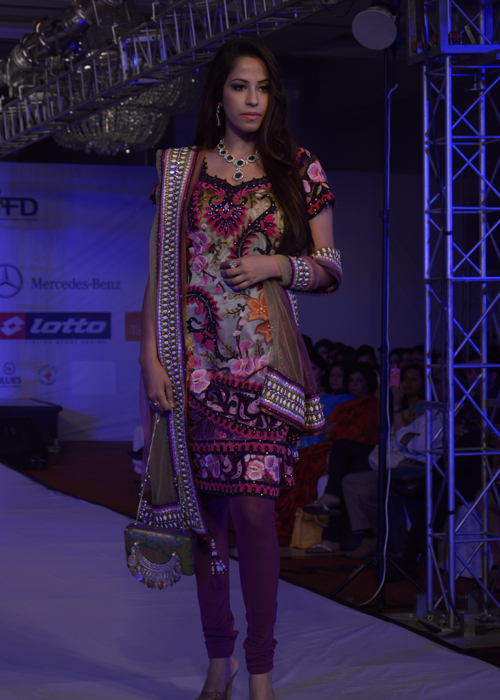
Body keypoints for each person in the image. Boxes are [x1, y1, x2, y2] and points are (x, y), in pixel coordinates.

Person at [138, 38, 342, 700]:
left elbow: (330, 267)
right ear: (218, 94)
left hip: (262, 369)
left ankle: (260, 672)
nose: (253, 100)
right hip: (192, 369)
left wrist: (274, 264)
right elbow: (160, 274)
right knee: (208, 525)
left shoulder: (299, 169)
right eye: (239, 87)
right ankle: (218, 659)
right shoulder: (181, 170)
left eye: (264, 88)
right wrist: (149, 357)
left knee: (254, 518)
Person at [303, 363, 380, 555]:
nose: (354, 384)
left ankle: (332, 537)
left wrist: (336, 428)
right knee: (305, 459)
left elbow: (361, 434)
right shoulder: (345, 404)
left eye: (360, 380)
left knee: (341, 449)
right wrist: (336, 429)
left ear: (369, 383)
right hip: (348, 454)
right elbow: (325, 428)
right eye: (351, 380)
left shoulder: (373, 405)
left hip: (370, 453)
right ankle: (331, 537)